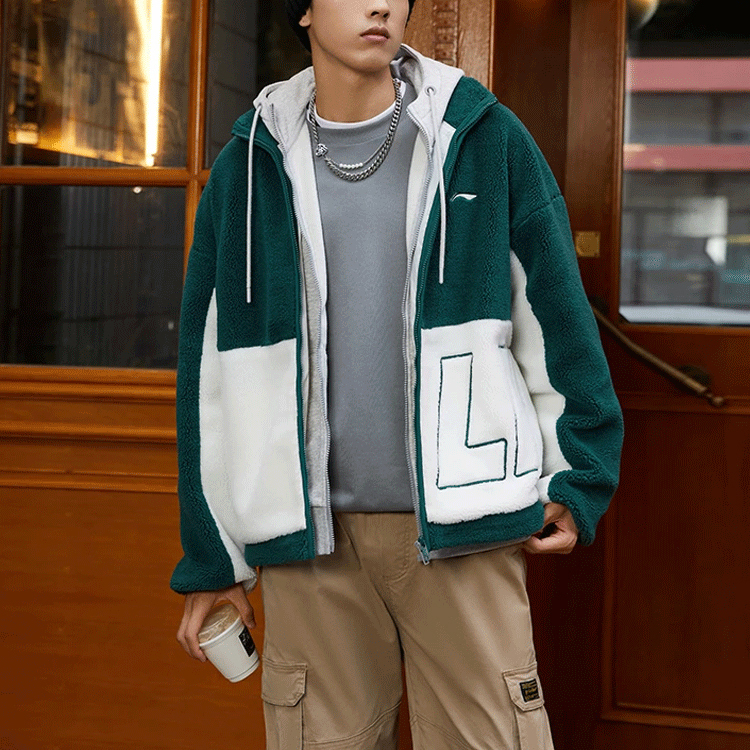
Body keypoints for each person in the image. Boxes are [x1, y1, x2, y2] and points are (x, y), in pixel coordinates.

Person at [173, 0, 624, 747]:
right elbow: (209, 374)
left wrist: (580, 477)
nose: (380, 4)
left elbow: (558, 325)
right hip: (306, 541)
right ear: (304, 10)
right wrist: (213, 557)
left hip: (465, 533)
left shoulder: (481, 137)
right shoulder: (249, 163)